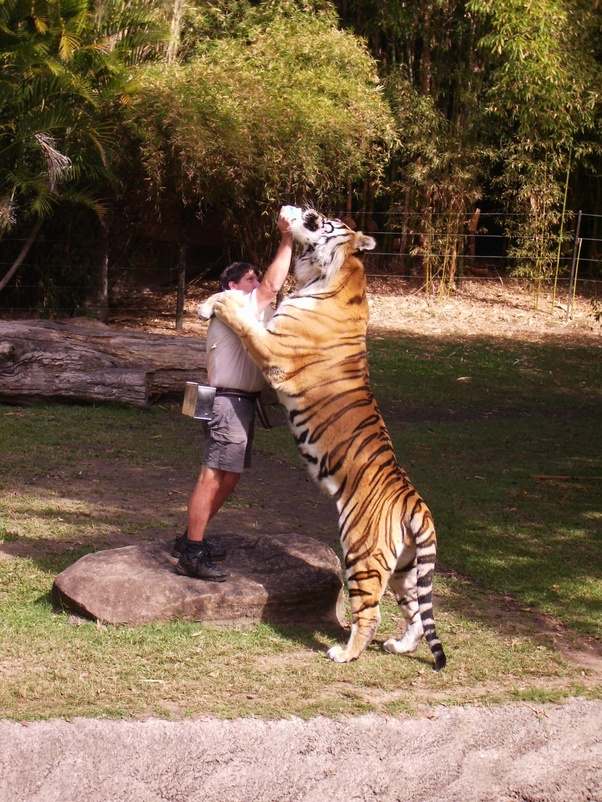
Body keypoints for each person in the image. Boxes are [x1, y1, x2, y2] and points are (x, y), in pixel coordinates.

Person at [174, 208, 294, 581]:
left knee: (229, 477)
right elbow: (272, 288)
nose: (258, 283)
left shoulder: (253, 311)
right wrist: (287, 238)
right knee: (212, 476)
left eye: (257, 277)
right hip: (227, 401)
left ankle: (189, 540)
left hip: (237, 402)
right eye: (250, 278)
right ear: (232, 286)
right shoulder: (230, 303)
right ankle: (192, 553)